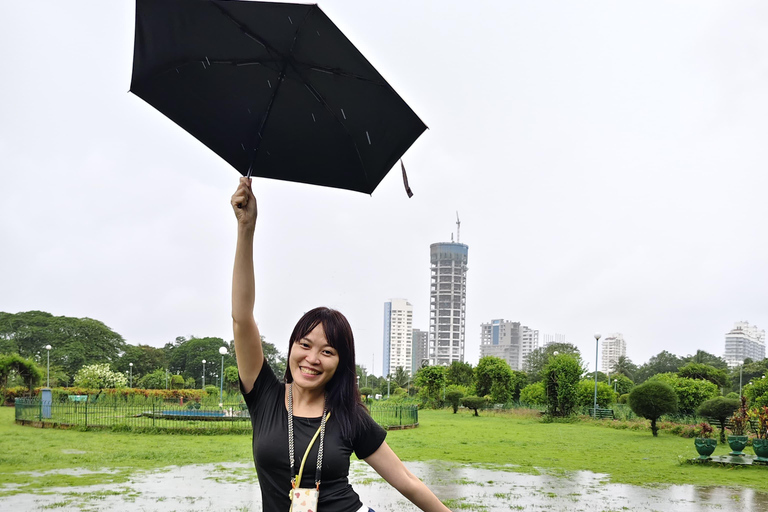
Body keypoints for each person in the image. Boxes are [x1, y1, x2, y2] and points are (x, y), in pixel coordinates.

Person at [231, 177, 452, 512]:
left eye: (328, 351)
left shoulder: (349, 416)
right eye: (305, 345)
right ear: (291, 347)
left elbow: (406, 480)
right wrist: (246, 228)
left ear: (341, 363)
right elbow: (242, 318)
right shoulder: (265, 397)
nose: (312, 358)